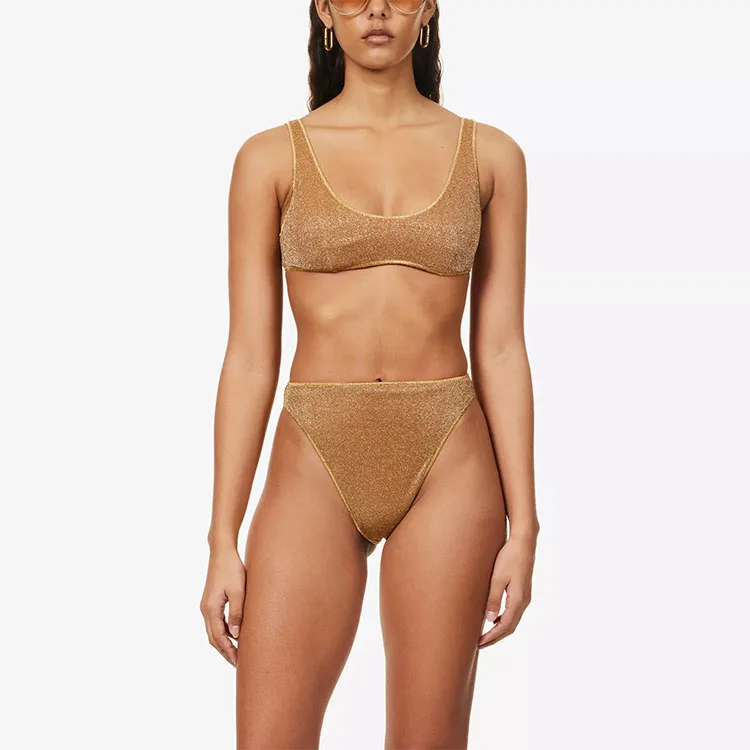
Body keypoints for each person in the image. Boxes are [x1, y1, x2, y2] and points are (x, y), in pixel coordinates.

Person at [200, 1, 539, 746]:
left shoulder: (491, 157)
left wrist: (526, 527)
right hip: (315, 457)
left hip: (448, 457)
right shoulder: (269, 158)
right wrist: (222, 537)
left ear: (429, 9)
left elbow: (502, 348)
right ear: (325, 9)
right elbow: (250, 355)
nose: (377, 8)